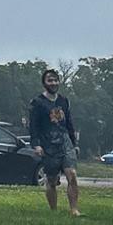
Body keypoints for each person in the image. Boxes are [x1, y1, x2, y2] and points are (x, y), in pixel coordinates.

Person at [28, 67, 81, 215]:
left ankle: (74, 209)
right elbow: (33, 126)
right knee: (52, 181)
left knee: (72, 175)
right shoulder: (37, 103)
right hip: (48, 145)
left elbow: (69, 123)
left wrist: (74, 143)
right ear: (44, 83)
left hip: (65, 143)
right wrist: (36, 144)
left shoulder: (64, 101)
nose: (53, 83)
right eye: (50, 80)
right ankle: (53, 211)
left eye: (55, 80)